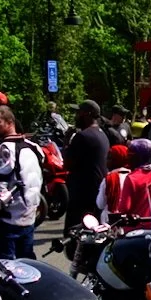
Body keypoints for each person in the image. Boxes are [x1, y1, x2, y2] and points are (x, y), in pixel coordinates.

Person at [0, 104, 42, 259]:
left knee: (5, 266)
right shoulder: (33, 146)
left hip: (8, 221)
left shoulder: (4, 149)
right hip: (29, 217)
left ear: (10, 123)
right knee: (27, 264)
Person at [63, 100, 108, 233]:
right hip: (96, 192)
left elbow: (68, 164)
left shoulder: (82, 136)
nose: (76, 116)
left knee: (75, 234)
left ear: (87, 114)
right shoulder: (102, 134)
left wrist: (66, 142)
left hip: (82, 195)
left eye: (79, 112)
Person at [95, 144, 132, 224]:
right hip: (130, 221)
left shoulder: (109, 179)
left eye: (109, 158)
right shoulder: (134, 177)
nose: (106, 161)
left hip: (110, 222)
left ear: (117, 160)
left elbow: (100, 204)